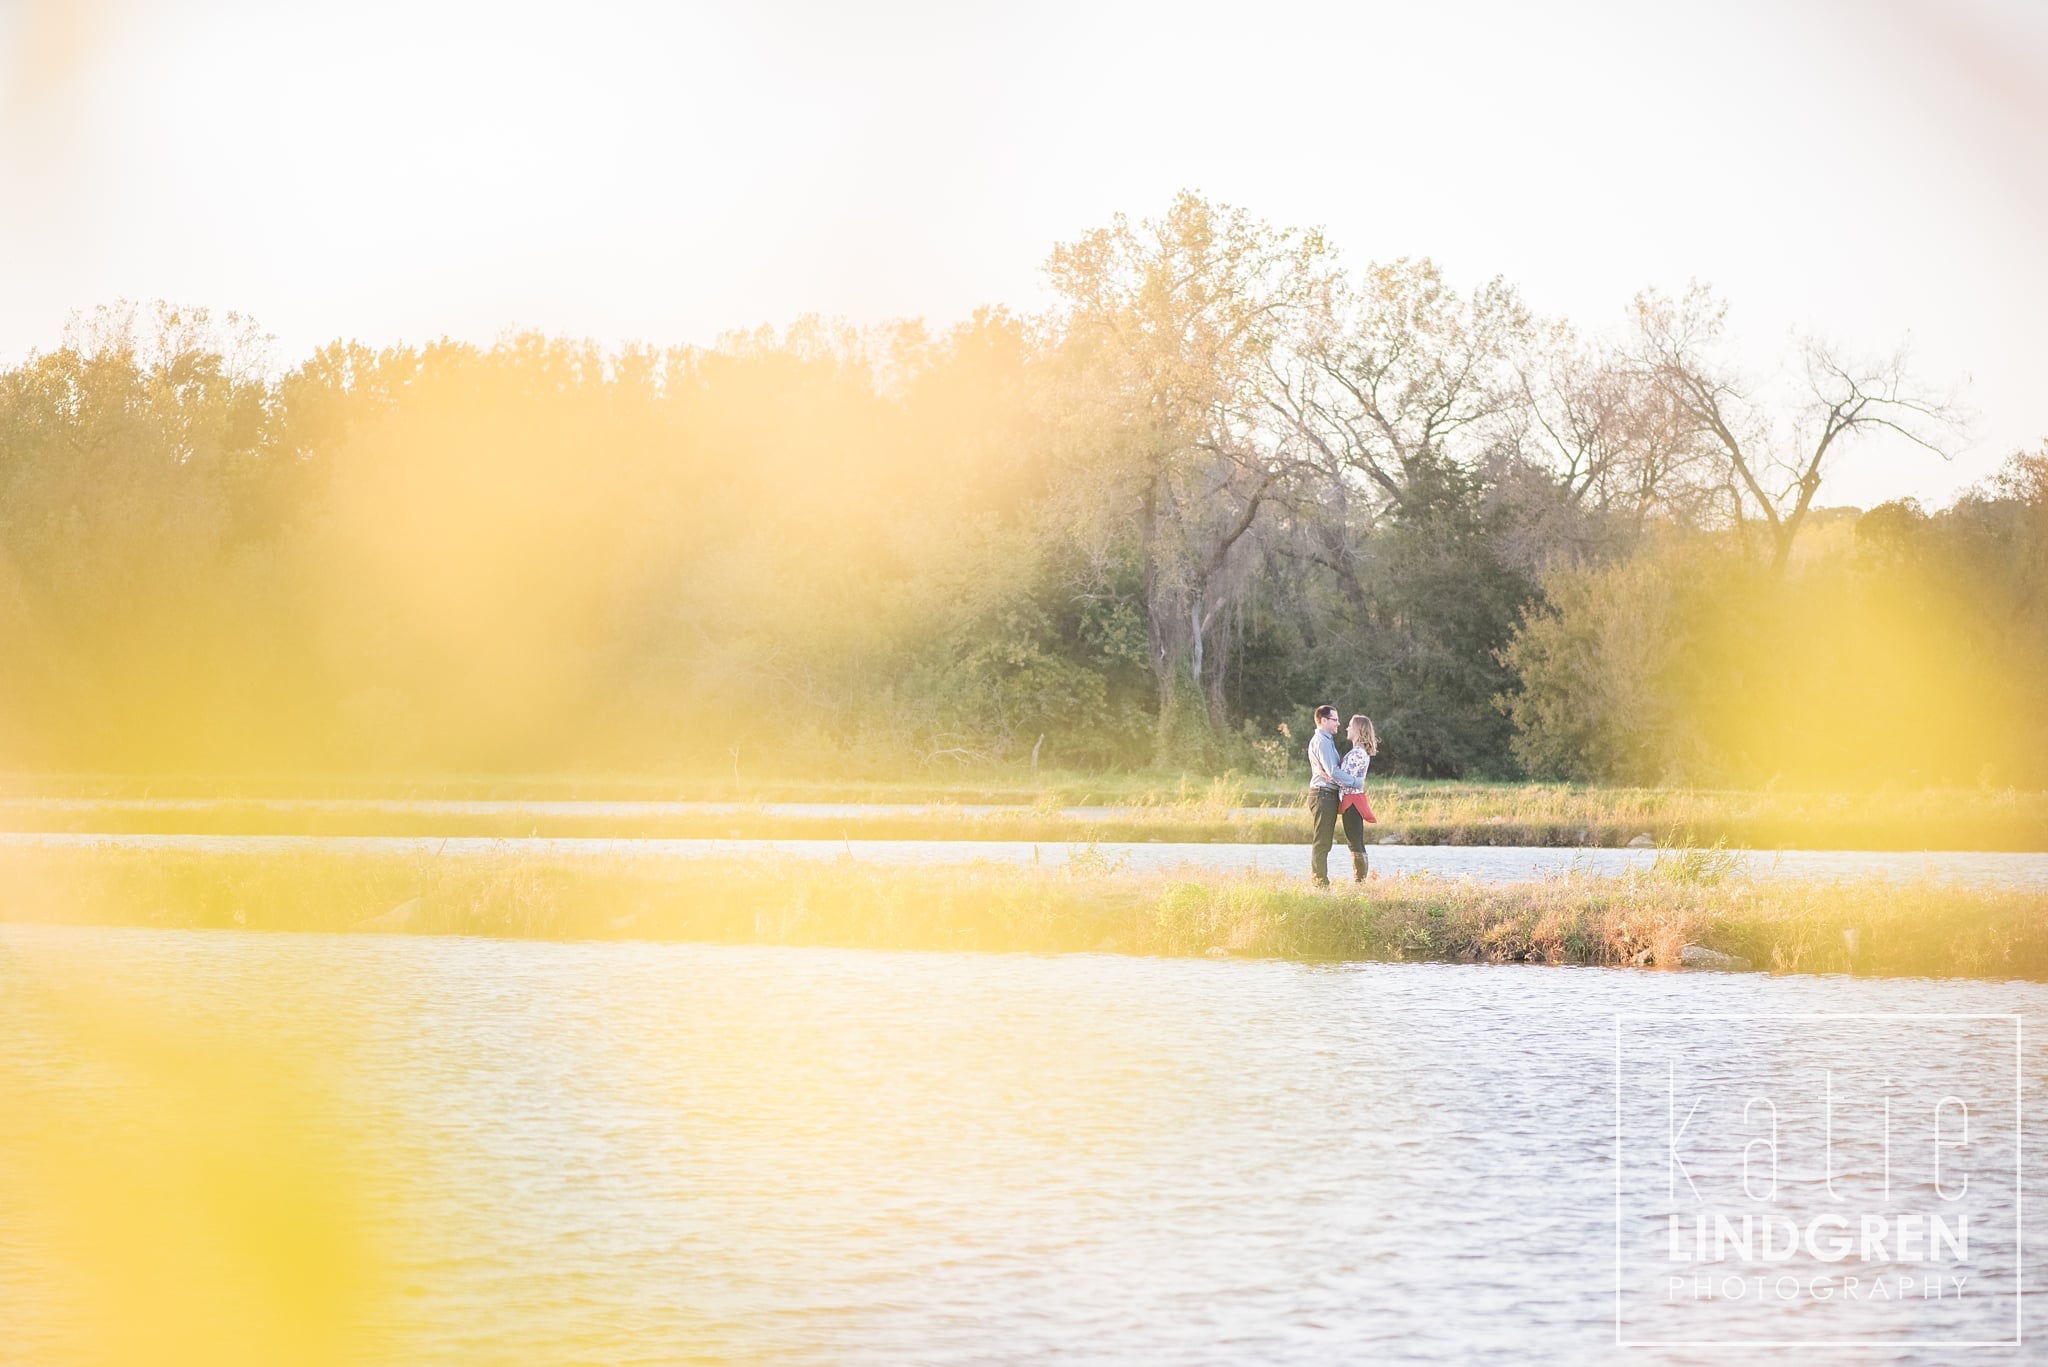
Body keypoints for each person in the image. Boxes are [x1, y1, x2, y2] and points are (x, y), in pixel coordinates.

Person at [1306, 703, 1361, 886]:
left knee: (1325, 840)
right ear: (1323, 720)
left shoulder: (1326, 740)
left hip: (1327, 794)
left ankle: (1320, 880)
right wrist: (1356, 782)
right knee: (1322, 841)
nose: (1338, 723)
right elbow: (1333, 772)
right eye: (1334, 720)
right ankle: (1320, 882)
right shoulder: (1322, 741)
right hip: (1323, 794)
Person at [1337, 715, 1378, 882]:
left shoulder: (1357, 754)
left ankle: (1359, 881)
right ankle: (1359, 879)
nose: (1346, 729)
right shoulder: (1359, 752)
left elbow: (1345, 778)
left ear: (1358, 730)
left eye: (1349, 726)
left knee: (1354, 841)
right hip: (1352, 799)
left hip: (1352, 800)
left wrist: (1330, 776)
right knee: (1355, 840)